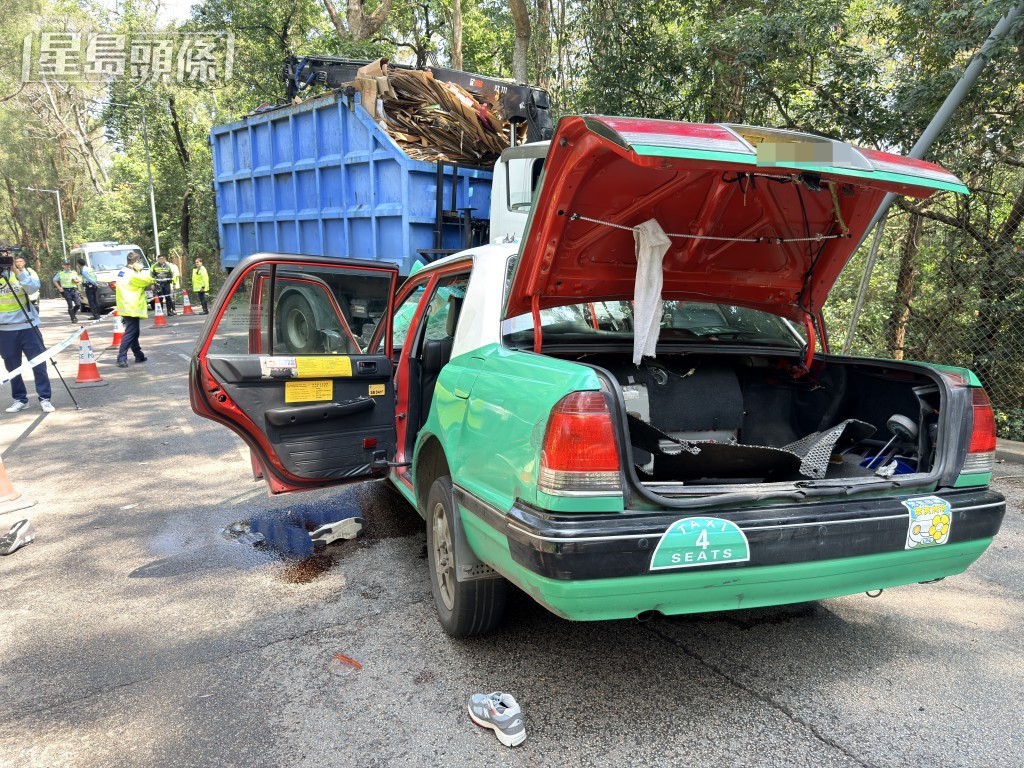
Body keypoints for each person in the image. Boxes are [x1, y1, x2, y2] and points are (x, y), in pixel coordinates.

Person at [0, 242, 54, 413]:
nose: (4, 257)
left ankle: (45, 398)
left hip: (28, 325)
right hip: (5, 329)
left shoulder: (25, 272)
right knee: (12, 367)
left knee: (38, 363)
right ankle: (20, 399)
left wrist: (16, 271)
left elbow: (33, 289)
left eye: (7, 254)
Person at [115, 252, 155, 368]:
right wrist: (151, 278)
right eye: (140, 262)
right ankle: (121, 357)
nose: (141, 264)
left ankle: (138, 354)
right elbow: (146, 280)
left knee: (134, 331)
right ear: (136, 262)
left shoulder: (123, 271)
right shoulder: (132, 274)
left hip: (126, 305)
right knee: (131, 332)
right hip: (131, 305)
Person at [53, 258, 82, 323]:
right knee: (70, 304)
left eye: (68, 264)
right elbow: (54, 280)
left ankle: (72, 313)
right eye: (65, 265)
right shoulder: (60, 273)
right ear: (62, 266)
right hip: (66, 290)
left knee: (78, 304)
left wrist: (77, 281)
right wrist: (59, 287)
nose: (67, 266)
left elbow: (79, 279)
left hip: (73, 289)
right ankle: (73, 318)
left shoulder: (73, 272)